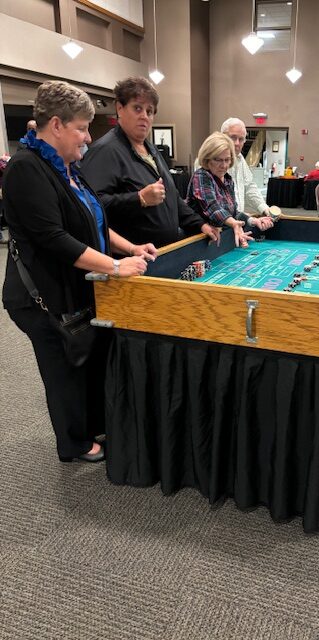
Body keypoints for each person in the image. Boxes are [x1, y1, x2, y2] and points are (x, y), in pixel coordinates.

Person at [2, 80, 157, 463]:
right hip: (40, 296)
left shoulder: (68, 166)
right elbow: (55, 239)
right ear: (56, 125)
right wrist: (116, 266)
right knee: (63, 369)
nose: (88, 137)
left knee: (85, 361)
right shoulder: (26, 168)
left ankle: (92, 426)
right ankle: (73, 444)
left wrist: (130, 248)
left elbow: (93, 221)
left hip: (72, 287)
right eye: (82, 128)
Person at [81, 77, 220, 248]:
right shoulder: (105, 151)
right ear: (120, 108)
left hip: (165, 252)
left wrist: (199, 224)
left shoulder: (152, 149)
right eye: (137, 108)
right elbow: (90, 207)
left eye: (149, 111)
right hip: (133, 256)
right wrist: (138, 198)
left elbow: (173, 198)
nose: (144, 117)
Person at [187, 132, 267, 247]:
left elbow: (233, 213)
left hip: (218, 240)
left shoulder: (228, 180)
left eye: (227, 160)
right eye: (218, 160)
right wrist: (234, 223)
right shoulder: (201, 176)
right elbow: (213, 208)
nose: (224, 165)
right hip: (197, 242)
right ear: (207, 159)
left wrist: (252, 220)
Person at [220, 117, 274, 227]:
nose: (237, 143)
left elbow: (249, 187)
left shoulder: (240, 159)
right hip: (219, 225)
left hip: (237, 221)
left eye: (241, 139)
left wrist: (264, 208)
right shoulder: (212, 163)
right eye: (233, 138)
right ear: (222, 137)